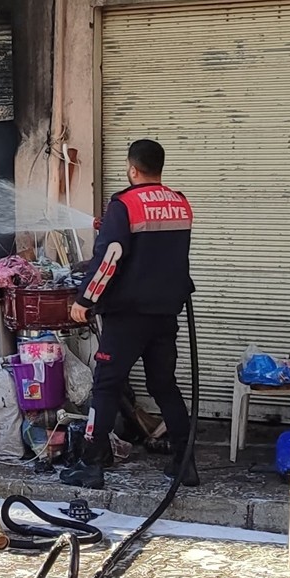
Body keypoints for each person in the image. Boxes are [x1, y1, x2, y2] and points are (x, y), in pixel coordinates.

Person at [60, 139, 198, 490]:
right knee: (165, 385)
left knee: (105, 385)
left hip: (127, 315)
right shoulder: (180, 203)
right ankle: (185, 465)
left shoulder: (124, 204)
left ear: (132, 168)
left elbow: (110, 260)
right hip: (166, 313)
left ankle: (90, 466)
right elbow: (156, 248)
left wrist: (84, 300)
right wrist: (109, 225)